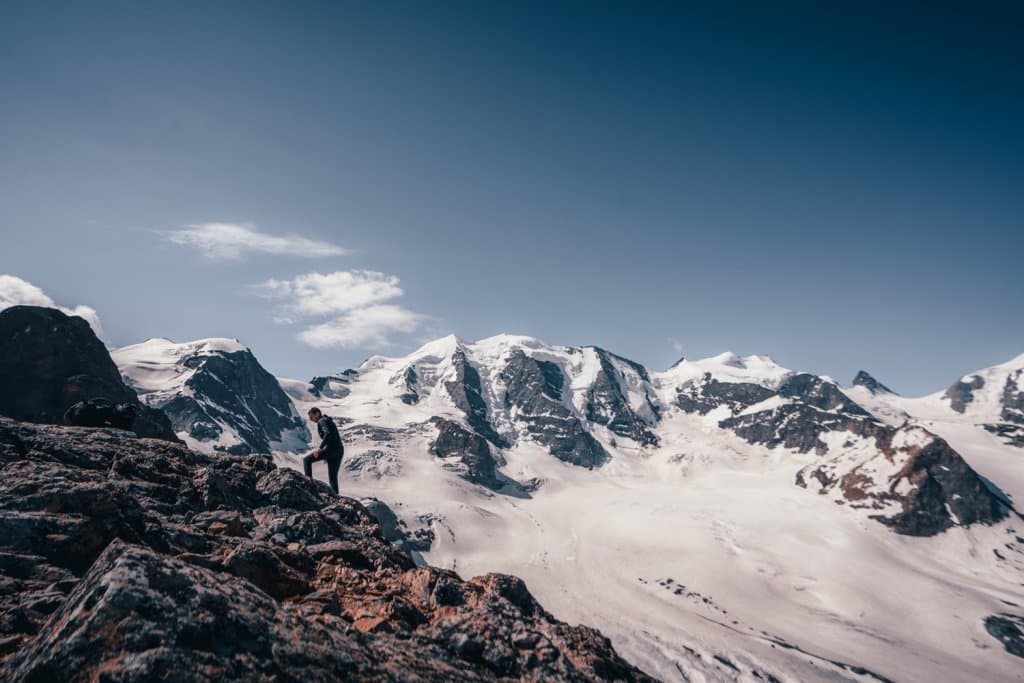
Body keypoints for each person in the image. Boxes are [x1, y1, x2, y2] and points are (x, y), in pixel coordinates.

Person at [303, 407, 344, 494]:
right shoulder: (327, 420)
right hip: (339, 450)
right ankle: (336, 497)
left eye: (312, 417)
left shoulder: (322, 421)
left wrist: (320, 449)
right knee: (333, 478)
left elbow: (328, 434)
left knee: (306, 460)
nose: (311, 419)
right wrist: (326, 454)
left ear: (317, 413)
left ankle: (309, 486)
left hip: (331, 449)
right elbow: (332, 436)